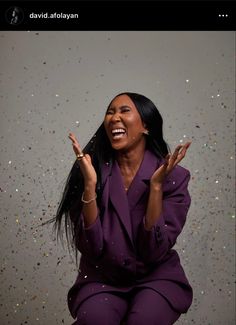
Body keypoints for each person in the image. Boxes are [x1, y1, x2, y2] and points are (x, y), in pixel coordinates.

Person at [49, 92, 192, 324]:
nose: (114, 117)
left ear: (146, 125)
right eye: (110, 112)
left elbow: (154, 251)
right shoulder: (89, 171)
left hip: (156, 279)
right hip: (101, 280)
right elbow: (91, 248)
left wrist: (155, 187)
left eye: (124, 111)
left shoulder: (175, 177)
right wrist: (90, 185)